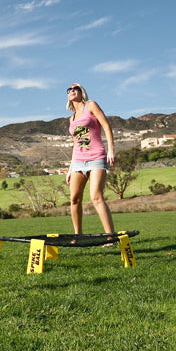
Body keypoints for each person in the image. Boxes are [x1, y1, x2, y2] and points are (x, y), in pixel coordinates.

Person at [65, 83, 115, 238]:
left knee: (96, 196)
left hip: (96, 156)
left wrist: (111, 150)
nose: (72, 91)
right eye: (69, 90)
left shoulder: (91, 105)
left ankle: (110, 237)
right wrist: (70, 169)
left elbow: (106, 127)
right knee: (74, 199)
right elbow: (75, 144)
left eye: (76, 88)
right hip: (78, 161)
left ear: (82, 92)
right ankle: (78, 236)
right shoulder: (71, 118)